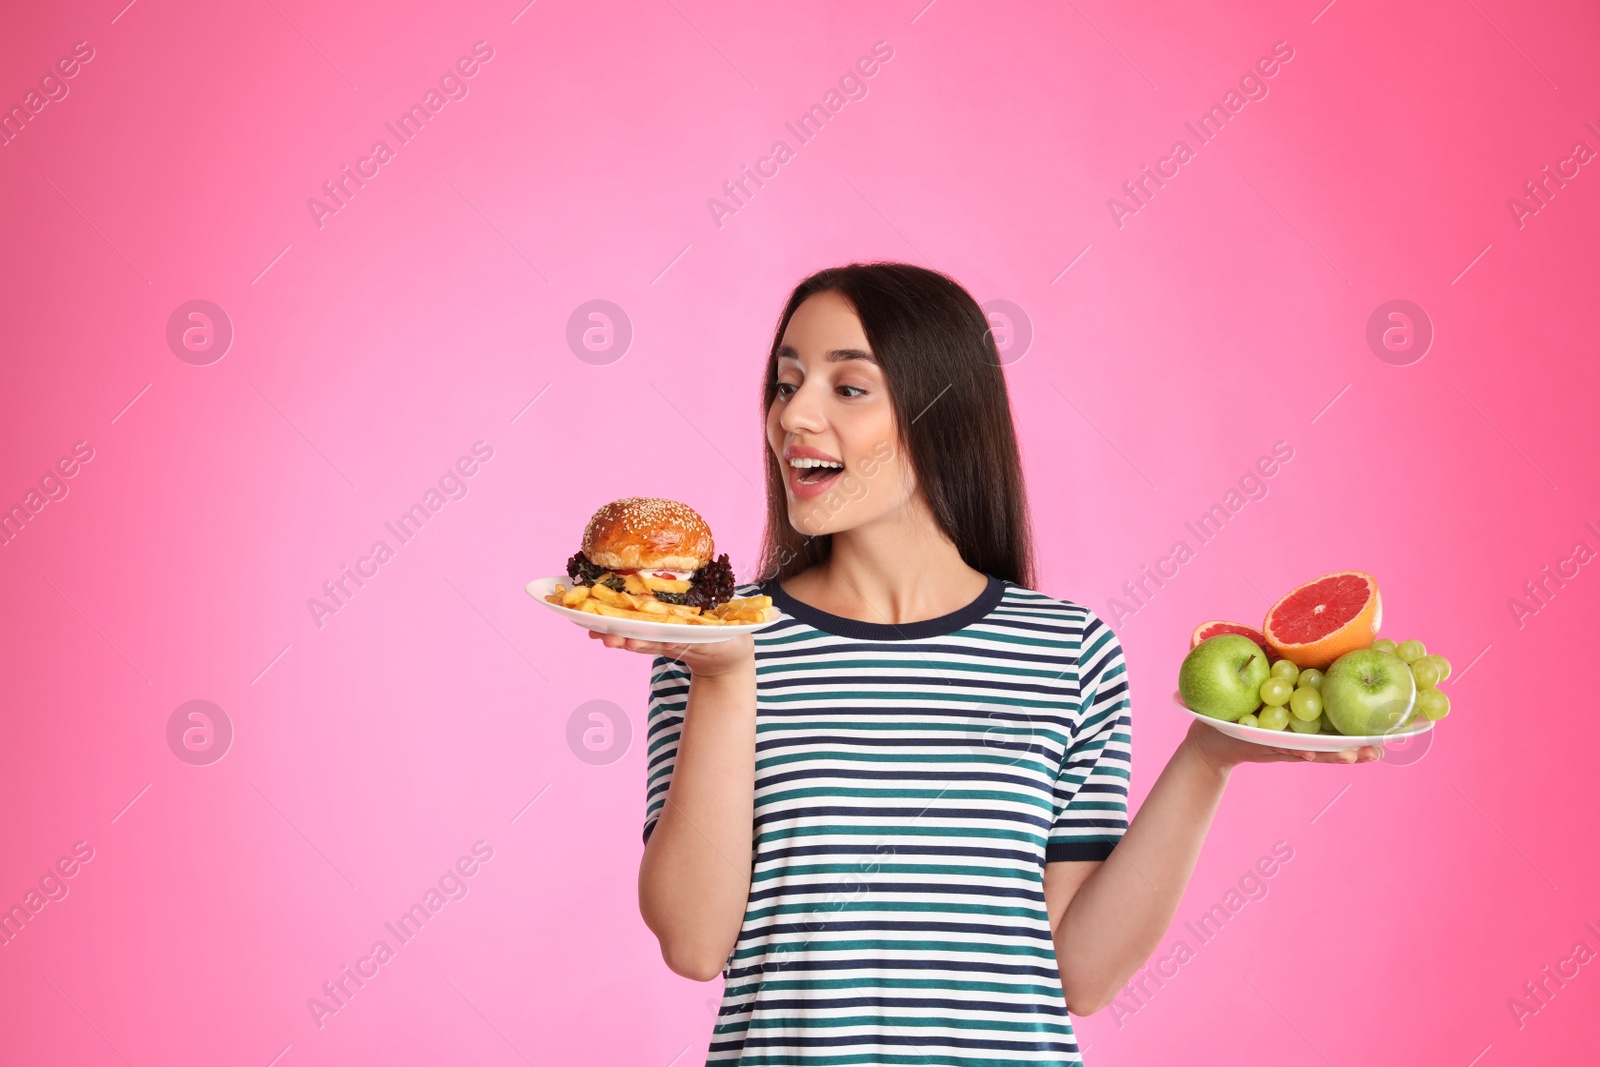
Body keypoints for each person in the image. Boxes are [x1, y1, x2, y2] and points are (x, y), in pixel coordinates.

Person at [591, 262, 1380, 1065]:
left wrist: (1208, 760)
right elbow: (694, 943)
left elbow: (1079, 973)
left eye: (848, 388)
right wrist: (724, 676)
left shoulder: (1068, 651)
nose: (795, 414)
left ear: (941, 411)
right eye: (786, 382)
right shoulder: (715, 641)